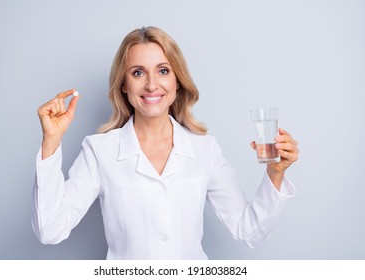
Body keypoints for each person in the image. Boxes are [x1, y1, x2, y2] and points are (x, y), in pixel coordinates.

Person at [32, 26, 299, 260]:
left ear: (177, 81)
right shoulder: (99, 151)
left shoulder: (204, 149)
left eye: (163, 71)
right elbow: (51, 230)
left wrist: (275, 173)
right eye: (138, 73)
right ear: (123, 85)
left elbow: (248, 230)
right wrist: (51, 142)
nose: (151, 85)